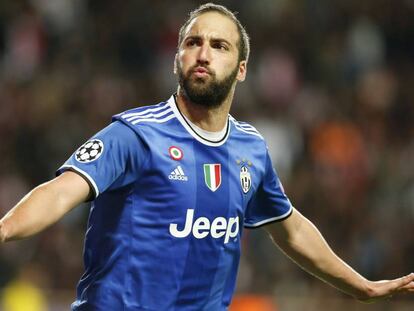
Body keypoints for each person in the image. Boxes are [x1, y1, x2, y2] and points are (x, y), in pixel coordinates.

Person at [0, 3, 413, 310]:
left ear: (241, 68)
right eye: (192, 42)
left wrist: (361, 286)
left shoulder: (251, 151)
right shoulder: (136, 134)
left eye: (219, 45)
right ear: (177, 58)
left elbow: (291, 230)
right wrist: (3, 229)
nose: (203, 53)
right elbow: (59, 191)